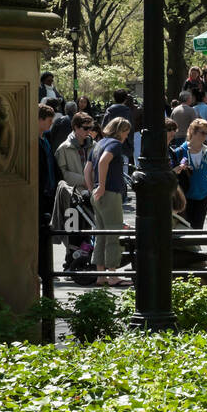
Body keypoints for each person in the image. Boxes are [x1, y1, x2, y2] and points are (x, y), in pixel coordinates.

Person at [87, 116, 132, 285]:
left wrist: (93, 188)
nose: (127, 136)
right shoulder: (115, 144)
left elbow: (87, 168)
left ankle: (101, 275)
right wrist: (103, 186)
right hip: (110, 193)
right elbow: (105, 161)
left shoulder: (98, 143)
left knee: (101, 235)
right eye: (126, 132)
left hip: (98, 196)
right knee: (114, 234)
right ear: (120, 131)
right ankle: (113, 275)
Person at [177, 119, 207, 229]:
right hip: (185, 196)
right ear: (192, 131)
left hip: (203, 196)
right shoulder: (180, 151)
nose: (205, 136)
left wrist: (206, 185)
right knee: (185, 229)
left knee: (198, 229)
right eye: (202, 132)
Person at [56, 112, 96, 190]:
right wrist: (84, 180)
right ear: (76, 127)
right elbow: (61, 173)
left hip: (94, 192)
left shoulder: (95, 146)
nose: (88, 131)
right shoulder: (63, 148)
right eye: (85, 128)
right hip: (75, 194)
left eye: (90, 128)